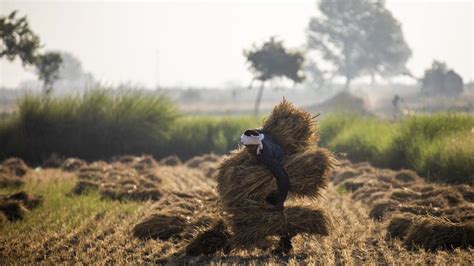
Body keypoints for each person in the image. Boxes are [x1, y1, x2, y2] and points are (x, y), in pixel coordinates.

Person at [240, 129, 292, 253]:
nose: (249, 149)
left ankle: (285, 242)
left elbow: (283, 177)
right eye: (247, 147)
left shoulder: (264, 155)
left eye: (252, 147)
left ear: (257, 143)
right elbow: (260, 131)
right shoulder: (258, 135)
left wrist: (281, 201)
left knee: (272, 205)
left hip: (279, 163)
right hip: (270, 157)